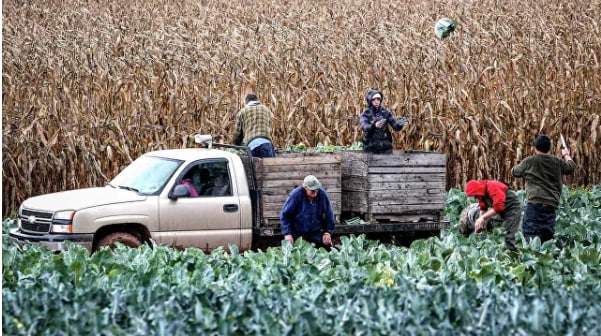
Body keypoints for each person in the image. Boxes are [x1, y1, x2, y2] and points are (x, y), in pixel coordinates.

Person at [511, 134, 576, 243]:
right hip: (550, 208)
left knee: (530, 237)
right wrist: (566, 155)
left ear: (535, 148)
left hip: (534, 207)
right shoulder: (557, 162)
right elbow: (571, 167)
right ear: (549, 148)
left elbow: (514, 172)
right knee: (547, 240)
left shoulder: (529, 161)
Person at [280, 175, 336, 248]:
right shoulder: (295, 196)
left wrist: (327, 232)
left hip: (316, 232)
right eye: (312, 190)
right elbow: (285, 215)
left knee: (328, 247)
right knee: (292, 251)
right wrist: (287, 234)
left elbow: (329, 215)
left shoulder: (322, 195)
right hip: (298, 232)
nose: (315, 191)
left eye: (317, 189)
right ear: (305, 187)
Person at [464, 180, 522, 250]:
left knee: (509, 234)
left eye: (474, 195)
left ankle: (512, 254)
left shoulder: (492, 186)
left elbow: (499, 207)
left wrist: (482, 218)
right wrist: (479, 223)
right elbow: (483, 208)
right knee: (497, 231)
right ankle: (499, 252)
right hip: (501, 210)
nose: (475, 197)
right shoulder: (480, 195)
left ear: (477, 191)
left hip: (512, 207)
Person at [359, 89, 408, 154]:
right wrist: (374, 125)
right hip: (370, 147)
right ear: (370, 100)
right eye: (374, 99)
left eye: (378, 99)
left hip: (386, 146)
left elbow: (395, 127)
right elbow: (364, 127)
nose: (376, 101)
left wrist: (399, 124)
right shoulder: (366, 114)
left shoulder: (385, 112)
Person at [232, 93, 276, 158]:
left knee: (254, 167)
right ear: (257, 100)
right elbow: (270, 128)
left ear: (246, 102)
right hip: (266, 144)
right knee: (269, 167)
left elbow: (237, 134)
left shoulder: (242, 112)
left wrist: (237, 145)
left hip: (252, 146)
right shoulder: (266, 110)